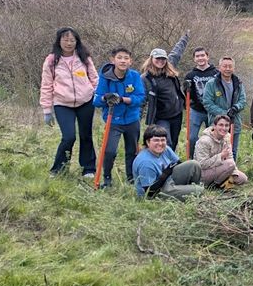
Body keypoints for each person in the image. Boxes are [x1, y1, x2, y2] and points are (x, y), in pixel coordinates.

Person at [40, 27, 99, 177]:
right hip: (62, 103)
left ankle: (89, 168)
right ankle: (58, 169)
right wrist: (47, 110)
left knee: (86, 135)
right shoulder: (51, 61)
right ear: (59, 41)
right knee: (69, 136)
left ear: (77, 42)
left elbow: (94, 78)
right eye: (65, 40)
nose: (69, 43)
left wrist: (94, 94)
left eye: (72, 40)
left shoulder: (84, 57)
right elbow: (46, 85)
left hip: (85, 101)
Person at [94, 48, 145, 187]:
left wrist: (123, 99)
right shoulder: (105, 77)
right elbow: (96, 100)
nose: (123, 61)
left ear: (130, 61)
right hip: (113, 119)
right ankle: (107, 178)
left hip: (132, 119)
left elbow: (140, 98)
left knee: (132, 151)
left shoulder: (134, 76)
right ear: (113, 60)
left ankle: (131, 178)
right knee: (109, 150)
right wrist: (106, 97)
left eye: (126, 58)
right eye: (120, 57)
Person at [140, 35, 188, 149]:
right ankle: (162, 165)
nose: (161, 61)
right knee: (166, 142)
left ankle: (170, 166)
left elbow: (177, 52)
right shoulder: (145, 78)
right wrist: (138, 117)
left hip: (176, 113)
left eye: (163, 59)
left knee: (174, 142)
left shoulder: (169, 69)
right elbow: (142, 100)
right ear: (151, 59)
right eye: (158, 59)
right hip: (161, 116)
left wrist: (185, 37)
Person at [133, 125, 204, 200]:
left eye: (163, 140)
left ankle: (188, 190)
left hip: (167, 179)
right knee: (199, 190)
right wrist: (166, 173)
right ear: (147, 142)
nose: (160, 143)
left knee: (194, 164)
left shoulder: (165, 148)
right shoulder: (146, 162)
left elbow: (178, 163)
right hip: (156, 192)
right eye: (156, 140)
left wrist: (170, 172)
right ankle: (191, 191)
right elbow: (150, 191)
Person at [201, 57, 247, 159]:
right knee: (216, 151)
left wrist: (235, 108)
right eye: (225, 66)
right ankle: (217, 174)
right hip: (217, 124)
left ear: (234, 68)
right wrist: (224, 113)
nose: (227, 69)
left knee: (232, 151)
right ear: (219, 67)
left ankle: (231, 173)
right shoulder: (211, 84)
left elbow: (243, 100)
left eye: (230, 66)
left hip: (234, 122)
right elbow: (207, 103)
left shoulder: (238, 83)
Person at [194, 115, 250, 189]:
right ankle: (214, 186)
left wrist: (234, 173)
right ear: (214, 126)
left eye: (226, 125)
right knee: (230, 164)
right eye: (221, 125)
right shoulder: (204, 141)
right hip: (203, 174)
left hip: (221, 168)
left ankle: (223, 181)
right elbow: (202, 164)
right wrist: (221, 156)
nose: (224, 128)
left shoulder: (227, 138)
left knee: (242, 178)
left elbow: (230, 157)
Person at [184, 47, 219, 158]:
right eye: (197, 56)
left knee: (214, 137)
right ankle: (192, 159)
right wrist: (186, 88)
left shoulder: (216, 73)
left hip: (212, 110)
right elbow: (187, 94)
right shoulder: (190, 75)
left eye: (202, 55)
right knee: (192, 137)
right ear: (194, 59)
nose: (200, 58)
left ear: (207, 57)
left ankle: (212, 159)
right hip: (196, 110)